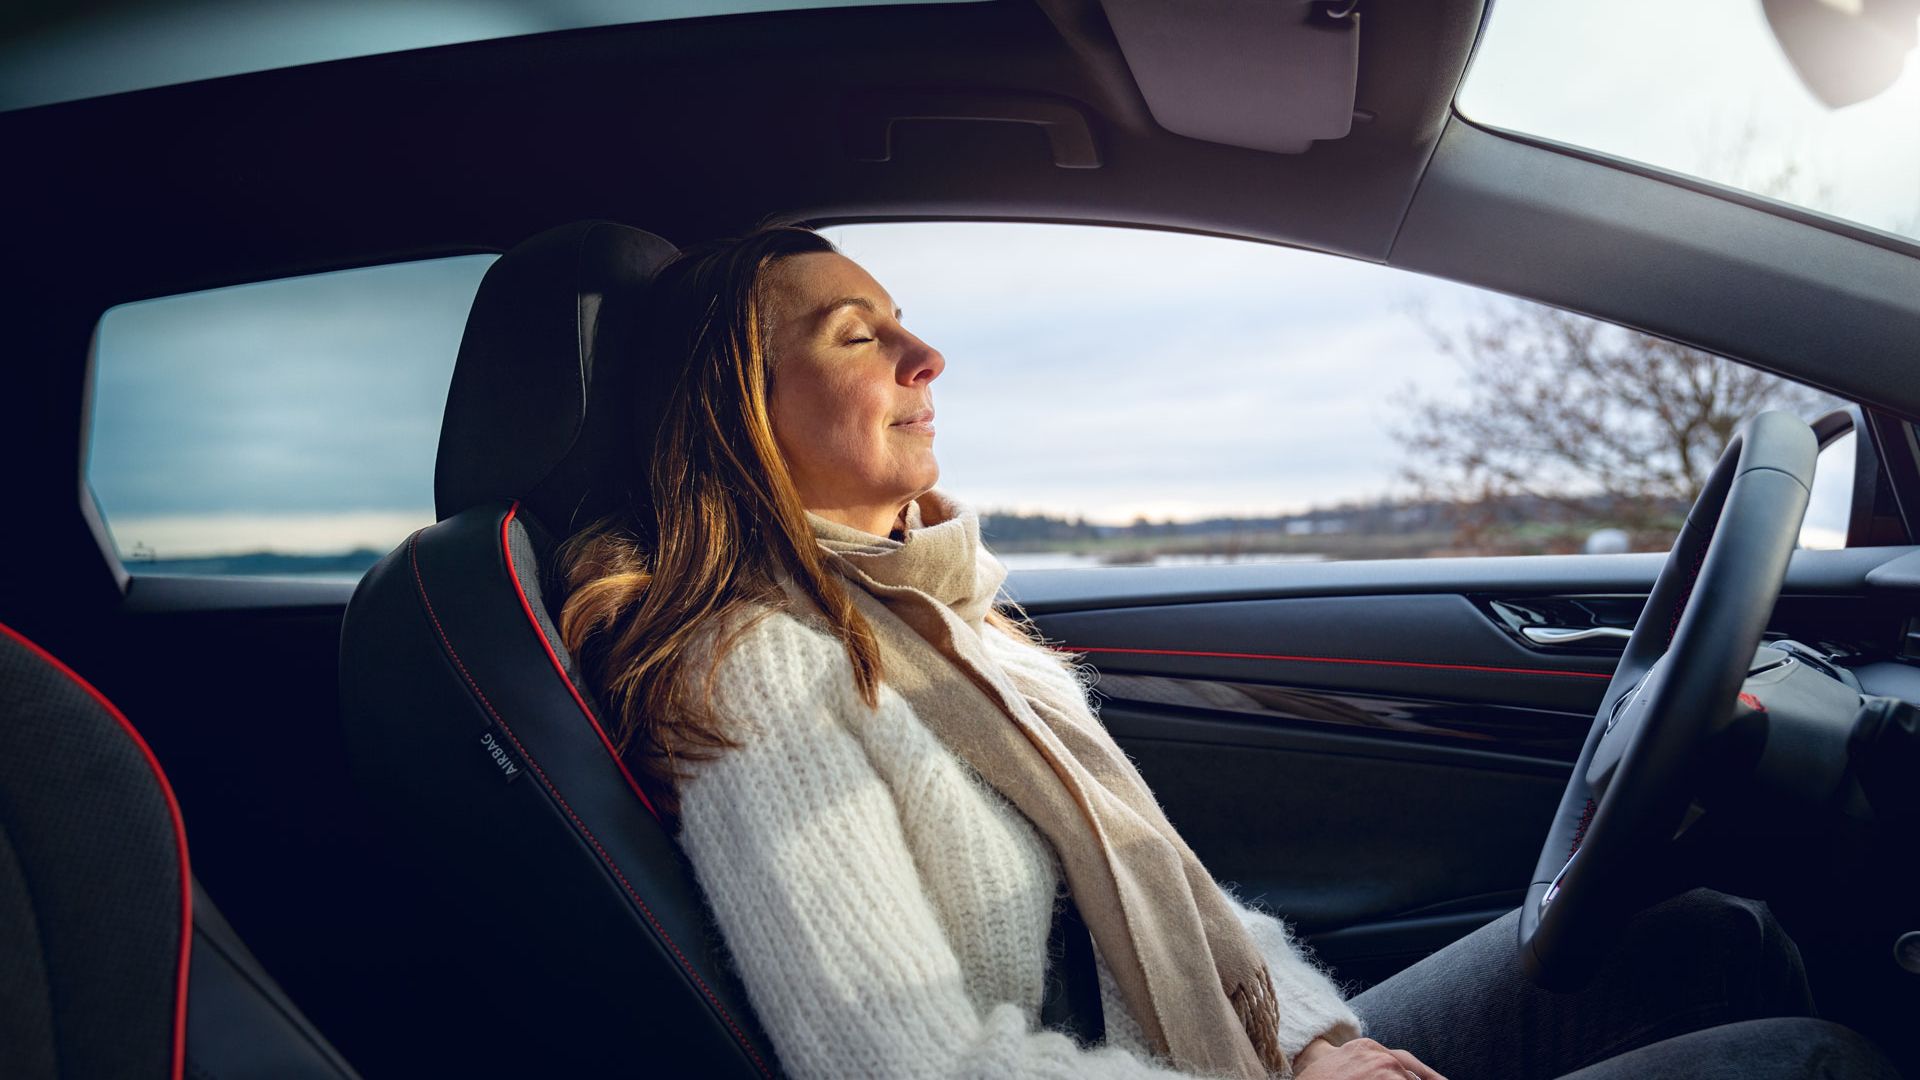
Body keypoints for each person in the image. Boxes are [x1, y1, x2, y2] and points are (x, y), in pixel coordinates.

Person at [554, 223, 1895, 1080]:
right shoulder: (764, 671)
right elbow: (901, 1067)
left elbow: (1173, 901)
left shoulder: (948, 629)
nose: (928, 354)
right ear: (741, 410)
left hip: (1216, 1055)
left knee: (1702, 943)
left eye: (905, 321)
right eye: (862, 337)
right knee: (1807, 1060)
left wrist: (1318, 1045)